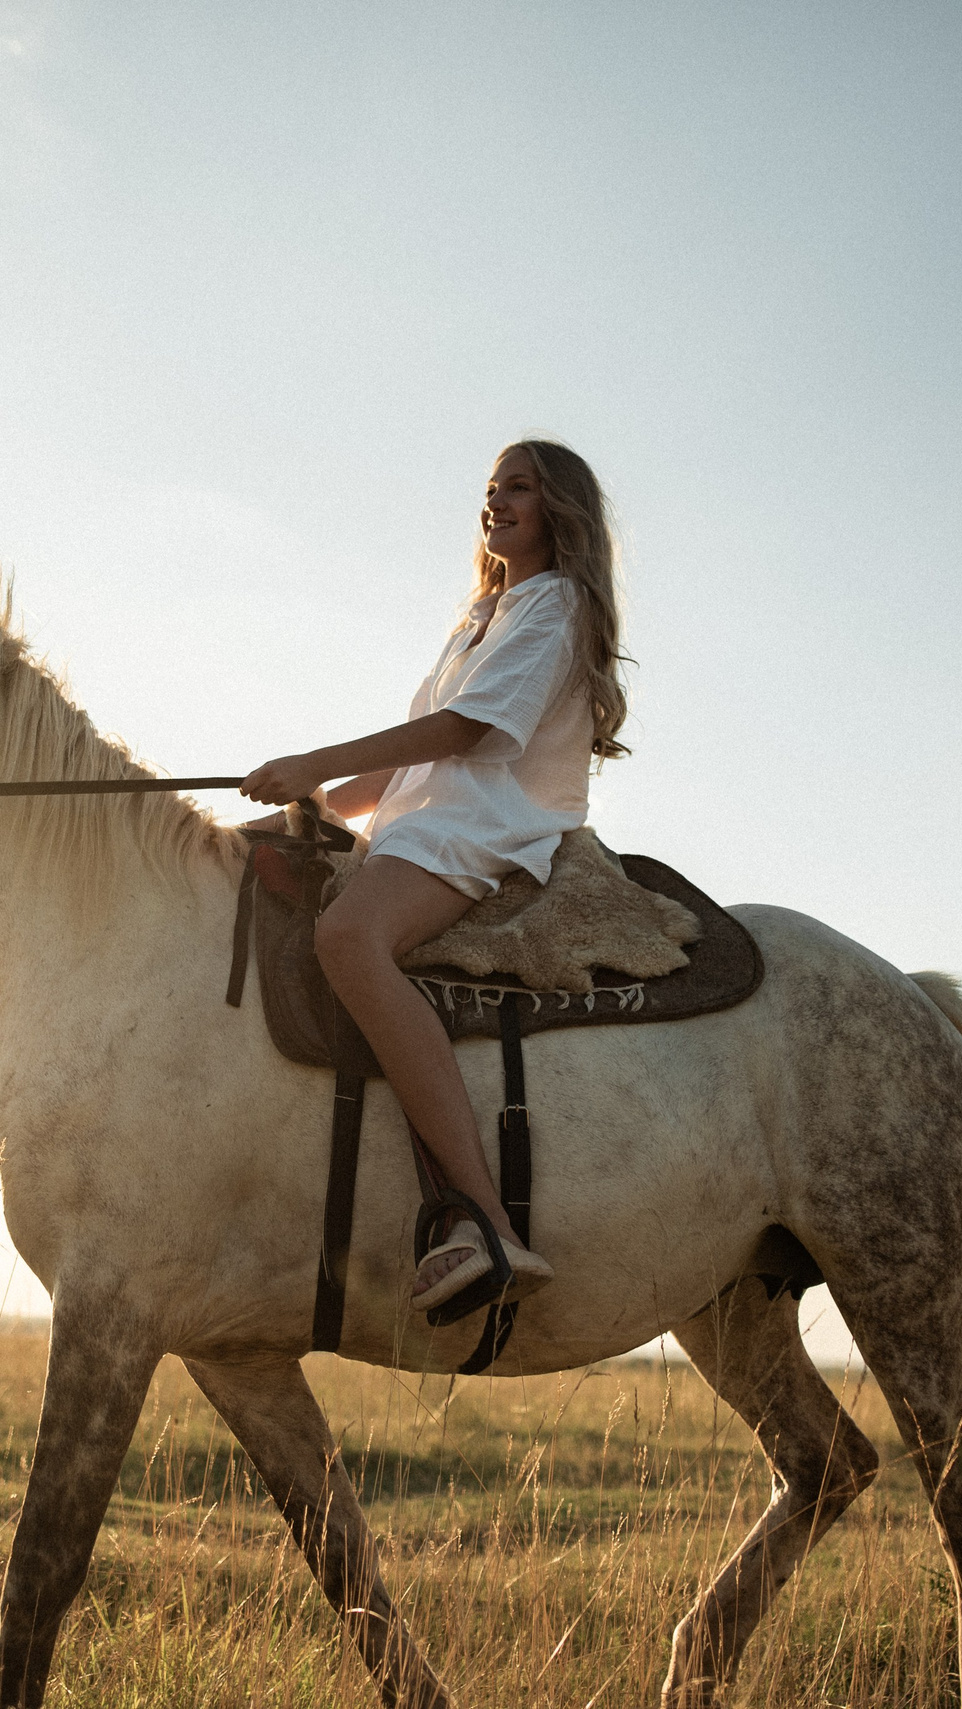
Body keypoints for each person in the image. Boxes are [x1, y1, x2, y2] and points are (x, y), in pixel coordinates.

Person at [242, 440, 632, 1311]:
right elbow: (406, 762)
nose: (497, 501)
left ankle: (486, 1222)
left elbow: (461, 734)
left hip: (481, 830)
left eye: (520, 488)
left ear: (559, 508)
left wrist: (311, 760)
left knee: (348, 937)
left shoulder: (558, 606)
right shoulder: (480, 620)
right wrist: (316, 809)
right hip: (419, 824)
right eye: (491, 489)